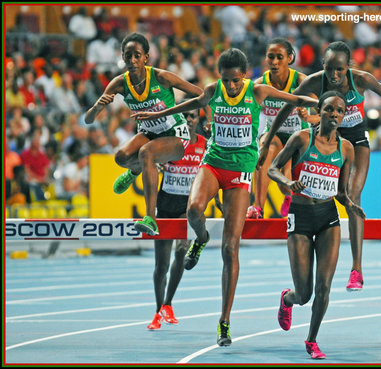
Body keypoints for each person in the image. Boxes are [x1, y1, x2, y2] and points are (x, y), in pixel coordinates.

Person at [131, 48, 318, 346]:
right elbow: (190, 103)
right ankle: (201, 238)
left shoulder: (256, 91)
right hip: (214, 162)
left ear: (243, 76)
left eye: (234, 81)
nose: (230, 86)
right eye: (226, 80)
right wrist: (157, 114)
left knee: (231, 248)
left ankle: (224, 321)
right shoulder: (212, 90)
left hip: (241, 171)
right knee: (193, 209)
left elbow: (294, 99)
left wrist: (318, 103)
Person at [258, 41, 381, 291]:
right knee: (312, 188)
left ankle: (356, 269)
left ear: (347, 66)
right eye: (329, 69)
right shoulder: (315, 81)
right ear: (323, 66)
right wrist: (268, 140)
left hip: (355, 140)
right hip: (324, 139)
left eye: (339, 69)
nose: (334, 76)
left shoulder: (362, 79)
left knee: (352, 196)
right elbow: (287, 108)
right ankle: (294, 208)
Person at [267, 91, 365, 359]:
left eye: (340, 111)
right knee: (305, 293)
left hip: (328, 218)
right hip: (299, 216)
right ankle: (288, 298)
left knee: (324, 287)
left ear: (344, 116)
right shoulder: (302, 139)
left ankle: (311, 340)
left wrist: (352, 206)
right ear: (319, 111)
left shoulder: (346, 149)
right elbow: (272, 169)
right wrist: (287, 183)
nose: (334, 114)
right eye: (329, 109)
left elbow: (341, 192)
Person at [84, 32, 203, 236]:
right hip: (149, 133)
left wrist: (208, 120)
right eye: (128, 55)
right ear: (122, 57)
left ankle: (150, 218)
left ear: (146, 57)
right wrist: (96, 108)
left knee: (146, 152)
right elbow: (87, 120)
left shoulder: (160, 77)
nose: (132, 60)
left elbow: (201, 94)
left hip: (176, 135)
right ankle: (134, 171)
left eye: (137, 55)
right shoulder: (119, 84)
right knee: (121, 157)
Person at [147, 107, 208, 330]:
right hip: (165, 206)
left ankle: (169, 303)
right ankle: (157, 311)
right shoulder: (169, 144)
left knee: (182, 250)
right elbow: (148, 160)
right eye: (184, 116)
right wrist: (156, 163)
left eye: (192, 116)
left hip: (188, 206)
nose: (189, 119)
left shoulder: (204, 143)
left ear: (198, 118)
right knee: (161, 265)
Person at [247, 38, 319, 220]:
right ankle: (257, 208)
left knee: (285, 184)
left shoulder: (302, 81)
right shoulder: (259, 85)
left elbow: (323, 115)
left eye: (280, 57)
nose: (274, 62)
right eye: (270, 57)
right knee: (265, 147)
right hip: (275, 135)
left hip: (298, 138)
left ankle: (288, 197)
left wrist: (308, 117)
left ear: (290, 58)